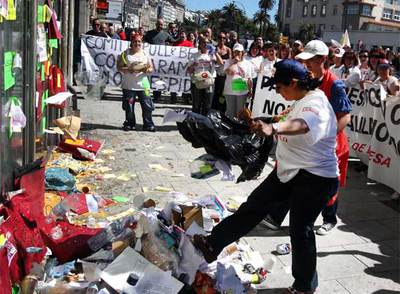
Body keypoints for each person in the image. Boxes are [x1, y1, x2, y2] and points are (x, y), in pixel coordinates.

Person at [194, 59, 339, 294]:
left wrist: (275, 129)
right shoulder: (300, 100)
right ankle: (213, 244)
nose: (278, 92)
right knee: (254, 206)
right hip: (290, 171)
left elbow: (303, 124)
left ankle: (303, 287)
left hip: (316, 178)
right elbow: (285, 119)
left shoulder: (317, 104)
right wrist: (263, 122)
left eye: (280, 87)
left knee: (300, 230)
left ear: (293, 83)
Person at [261, 40, 352, 236]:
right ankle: (276, 216)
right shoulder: (307, 79)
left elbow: (344, 116)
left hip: (329, 143)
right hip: (303, 142)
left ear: (323, 59)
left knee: (327, 185)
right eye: (304, 59)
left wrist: (326, 134)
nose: (306, 63)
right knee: (290, 173)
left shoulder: (334, 84)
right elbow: (300, 106)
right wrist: (285, 114)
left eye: (310, 60)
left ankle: (329, 219)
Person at [117, 34, 156, 132]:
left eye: (139, 41)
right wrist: (129, 69)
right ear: (131, 43)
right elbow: (119, 67)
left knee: (147, 106)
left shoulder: (145, 54)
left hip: (144, 85)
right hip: (129, 85)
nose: (137, 43)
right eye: (135, 41)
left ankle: (148, 124)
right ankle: (129, 123)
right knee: (129, 106)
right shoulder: (125, 54)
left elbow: (151, 68)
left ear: (141, 43)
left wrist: (146, 69)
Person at [187, 37, 223, 115]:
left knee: (207, 106)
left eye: (207, 42)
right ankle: (195, 123)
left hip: (209, 83)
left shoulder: (212, 55)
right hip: (197, 82)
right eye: (203, 42)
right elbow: (188, 70)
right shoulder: (194, 55)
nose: (205, 44)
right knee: (196, 105)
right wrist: (193, 65)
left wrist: (215, 53)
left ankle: (205, 124)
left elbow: (221, 64)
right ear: (199, 44)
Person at [144, 18, 176, 102]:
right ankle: (146, 95)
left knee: (158, 79)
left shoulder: (165, 34)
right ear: (156, 24)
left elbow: (174, 41)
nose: (160, 26)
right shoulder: (149, 33)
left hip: (160, 62)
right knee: (147, 78)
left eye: (161, 24)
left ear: (163, 25)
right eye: (158, 24)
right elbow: (143, 41)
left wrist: (181, 38)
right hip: (150, 60)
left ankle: (157, 96)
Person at [223, 43, 253, 118]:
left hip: (242, 91)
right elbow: (228, 72)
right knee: (230, 112)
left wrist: (250, 90)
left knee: (240, 112)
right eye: (235, 51)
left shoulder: (247, 63)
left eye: (239, 52)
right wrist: (235, 62)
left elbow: (249, 78)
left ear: (242, 52)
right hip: (230, 91)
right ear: (233, 52)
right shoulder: (228, 61)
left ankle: (237, 127)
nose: (237, 53)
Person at [212, 32, 232, 112]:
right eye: (220, 37)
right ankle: (213, 110)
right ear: (217, 39)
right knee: (215, 95)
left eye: (224, 38)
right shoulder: (214, 48)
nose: (222, 39)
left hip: (225, 76)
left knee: (223, 95)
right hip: (216, 75)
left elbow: (230, 62)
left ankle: (222, 111)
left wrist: (221, 61)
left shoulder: (228, 49)